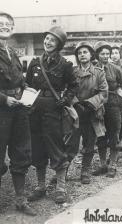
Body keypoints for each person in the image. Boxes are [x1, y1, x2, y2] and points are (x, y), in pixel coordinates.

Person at [26, 26, 78, 204]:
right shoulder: (34, 63)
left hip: (53, 111)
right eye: (47, 38)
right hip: (34, 111)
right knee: (38, 148)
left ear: (59, 44)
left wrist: (65, 100)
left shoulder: (65, 65)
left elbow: (73, 86)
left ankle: (61, 188)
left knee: (56, 148)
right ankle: (40, 186)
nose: (48, 42)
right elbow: (27, 86)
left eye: (52, 40)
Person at [0, 12, 35, 215]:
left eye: (8, 24)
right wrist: (5, 99)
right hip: (1, 111)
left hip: (19, 109)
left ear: (13, 28)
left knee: (21, 153)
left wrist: (27, 88)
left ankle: (20, 200)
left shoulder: (12, 52)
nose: (4, 26)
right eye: (0, 24)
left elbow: (18, 79)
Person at [73, 41, 108, 184]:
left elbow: (104, 93)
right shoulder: (73, 72)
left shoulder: (99, 72)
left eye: (85, 52)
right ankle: (61, 173)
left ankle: (85, 171)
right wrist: (76, 104)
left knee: (89, 143)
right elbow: (67, 89)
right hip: (75, 113)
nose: (82, 55)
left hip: (92, 112)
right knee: (70, 144)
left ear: (91, 54)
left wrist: (89, 104)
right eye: (79, 53)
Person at [93, 41, 122, 178]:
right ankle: (103, 164)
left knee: (114, 134)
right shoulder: (92, 68)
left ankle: (112, 165)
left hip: (113, 105)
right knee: (100, 135)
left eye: (107, 54)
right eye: (102, 53)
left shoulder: (115, 69)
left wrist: (119, 90)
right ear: (97, 55)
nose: (105, 56)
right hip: (97, 105)